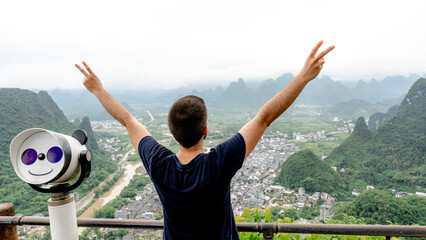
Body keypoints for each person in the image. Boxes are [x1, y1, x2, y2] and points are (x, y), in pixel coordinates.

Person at [75, 40, 334, 240]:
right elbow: (264, 117)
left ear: (172, 132)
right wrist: (303, 77)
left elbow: (128, 120)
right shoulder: (217, 164)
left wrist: (97, 89)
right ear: (205, 131)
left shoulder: (158, 163)